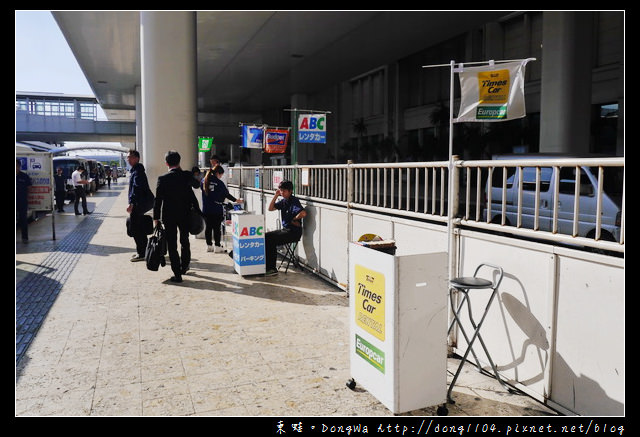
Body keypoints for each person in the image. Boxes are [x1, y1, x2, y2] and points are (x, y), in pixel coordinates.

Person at [153, 150, 202, 283]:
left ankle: (177, 274)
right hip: (185, 214)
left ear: (166, 163)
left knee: (172, 245)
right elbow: (197, 185)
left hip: (169, 216)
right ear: (179, 162)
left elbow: (158, 201)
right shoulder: (186, 175)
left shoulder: (162, 179)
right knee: (184, 241)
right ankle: (184, 266)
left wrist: (156, 218)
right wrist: (187, 173)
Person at [264, 180, 306, 276]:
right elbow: (270, 209)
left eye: (284, 191)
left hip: (293, 232)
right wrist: (276, 196)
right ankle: (266, 265)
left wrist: (294, 219)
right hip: (285, 230)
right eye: (281, 190)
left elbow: (303, 213)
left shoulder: (294, 201)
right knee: (266, 236)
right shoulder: (283, 201)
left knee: (271, 240)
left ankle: (272, 268)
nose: (282, 192)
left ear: (290, 191)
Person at [201, 165, 242, 252]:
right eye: (221, 175)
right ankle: (217, 246)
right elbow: (226, 194)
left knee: (208, 228)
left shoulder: (204, 181)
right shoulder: (219, 183)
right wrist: (236, 200)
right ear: (218, 173)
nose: (221, 177)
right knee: (216, 228)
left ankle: (209, 246)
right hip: (216, 209)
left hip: (206, 209)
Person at [126, 149, 152, 262]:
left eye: (130, 157)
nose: (128, 159)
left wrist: (131, 203)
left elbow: (136, 189)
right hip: (141, 203)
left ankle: (142, 253)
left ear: (137, 158)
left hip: (139, 203)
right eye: (127, 157)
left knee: (136, 229)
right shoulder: (136, 170)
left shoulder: (138, 171)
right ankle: (145, 251)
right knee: (139, 227)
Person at [16, 159, 32, 243]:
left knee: (23, 220)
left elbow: (29, 187)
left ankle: (24, 237)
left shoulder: (24, 176)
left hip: (22, 201)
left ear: (19, 166)